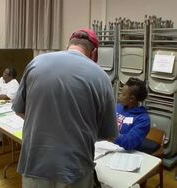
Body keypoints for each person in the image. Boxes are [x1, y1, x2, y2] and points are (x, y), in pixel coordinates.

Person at [12, 29, 118, 188]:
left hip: (35, 163)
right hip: (75, 168)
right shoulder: (101, 77)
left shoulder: (36, 62)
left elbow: (20, 110)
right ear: (94, 52)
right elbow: (108, 134)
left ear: (68, 45)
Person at [114, 77, 150, 151]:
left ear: (132, 99)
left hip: (128, 153)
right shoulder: (118, 107)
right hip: (110, 146)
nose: (119, 96)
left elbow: (130, 142)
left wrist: (109, 135)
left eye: (123, 94)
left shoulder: (143, 119)